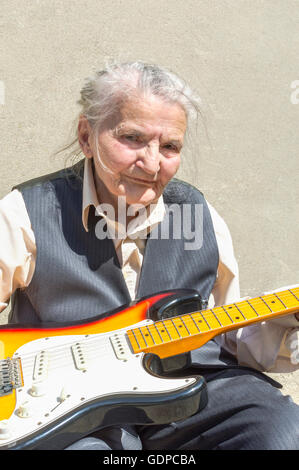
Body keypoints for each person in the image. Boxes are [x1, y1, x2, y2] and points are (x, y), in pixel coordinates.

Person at [0, 62, 298, 450]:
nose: (153, 163)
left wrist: (286, 323)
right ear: (86, 136)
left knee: (282, 429)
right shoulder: (28, 210)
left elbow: (230, 336)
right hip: (67, 408)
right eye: (133, 138)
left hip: (187, 393)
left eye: (170, 146)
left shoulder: (199, 213)